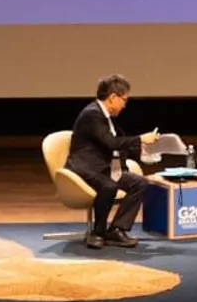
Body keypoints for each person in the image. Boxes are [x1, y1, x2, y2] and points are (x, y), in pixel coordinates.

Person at [67, 74, 158, 249]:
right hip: (85, 167)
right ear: (113, 97)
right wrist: (141, 138)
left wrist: (144, 152)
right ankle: (98, 232)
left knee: (139, 183)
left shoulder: (105, 117)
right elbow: (111, 143)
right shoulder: (92, 115)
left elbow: (119, 142)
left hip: (103, 167)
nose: (125, 105)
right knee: (109, 186)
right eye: (124, 100)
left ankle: (117, 229)